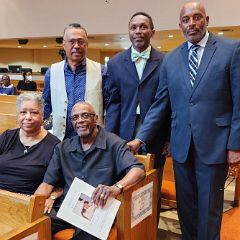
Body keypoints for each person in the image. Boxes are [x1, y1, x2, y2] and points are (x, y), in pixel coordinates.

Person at [128, 2, 240, 240]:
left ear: (206, 19)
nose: (192, 24)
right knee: (186, 208)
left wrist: (235, 144)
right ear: (180, 25)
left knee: (209, 208)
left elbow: (239, 101)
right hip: (181, 147)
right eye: (186, 20)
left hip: (215, 144)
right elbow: (161, 103)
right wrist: (140, 138)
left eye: (196, 18)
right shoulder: (171, 59)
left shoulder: (231, 49)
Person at [35, 102, 145, 240]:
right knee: (35, 221)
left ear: (96, 118)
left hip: (99, 209)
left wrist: (117, 188)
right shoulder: (62, 148)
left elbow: (138, 170)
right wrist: (34, 205)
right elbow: (47, 184)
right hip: (67, 206)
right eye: (75, 118)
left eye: (85, 116)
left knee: (88, 231)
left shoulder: (114, 143)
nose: (80, 120)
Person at [105, 12, 169, 225]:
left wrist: (168, 138)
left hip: (156, 132)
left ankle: (151, 229)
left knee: (153, 185)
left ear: (152, 32)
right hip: (124, 131)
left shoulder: (166, 61)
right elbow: (113, 104)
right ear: (129, 32)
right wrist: (111, 139)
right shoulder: (114, 63)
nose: (138, 31)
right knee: (124, 182)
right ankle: (125, 229)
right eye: (134, 27)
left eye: (143, 27)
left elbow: (169, 104)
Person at [42, 23, 109, 141]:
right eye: (71, 41)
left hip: (93, 139)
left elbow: (108, 107)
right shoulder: (52, 72)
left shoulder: (101, 71)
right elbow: (46, 104)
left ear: (87, 44)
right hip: (60, 139)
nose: (76, 46)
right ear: (64, 44)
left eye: (81, 41)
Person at [0, 92, 60, 196]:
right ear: (18, 115)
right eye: (23, 112)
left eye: (34, 113)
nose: (28, 117)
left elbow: (49, 183)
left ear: (42, 116)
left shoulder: (54, 146)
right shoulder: (7, 136)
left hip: (27, 199)